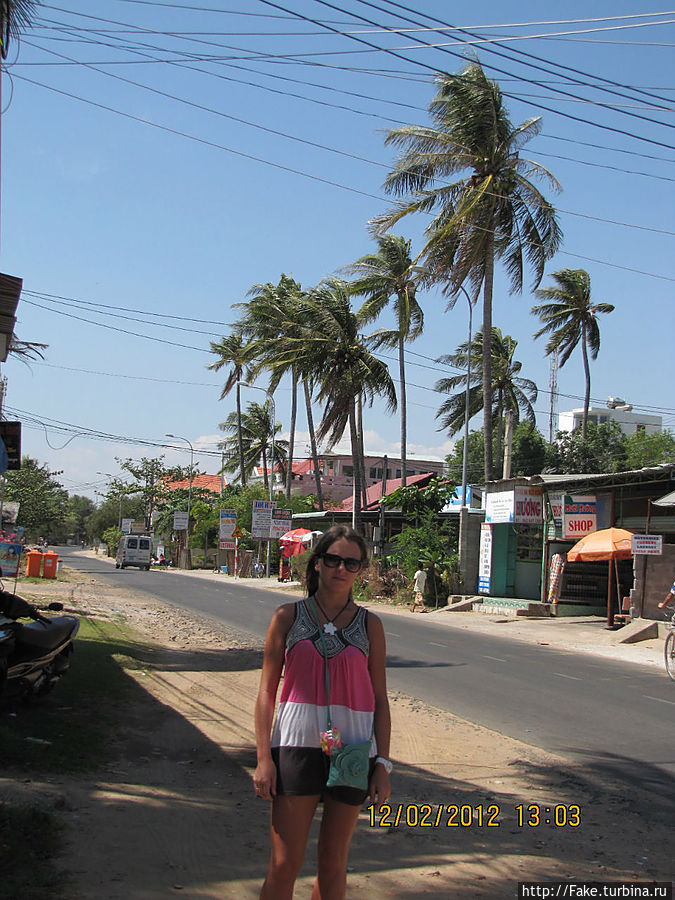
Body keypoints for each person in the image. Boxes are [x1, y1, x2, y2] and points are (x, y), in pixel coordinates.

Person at [253, 525, 391, 900]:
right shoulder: (287, 617)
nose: (340, 569)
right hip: (296, 745)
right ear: (316, 565)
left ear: (360, 570)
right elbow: (267, 692)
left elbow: (380, 698)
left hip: (352, 750)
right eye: (333, 559)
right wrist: (264, 759)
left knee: (333, 866)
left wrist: (383, 764)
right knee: (284, 864)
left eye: (351, 562)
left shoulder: (370, 625)